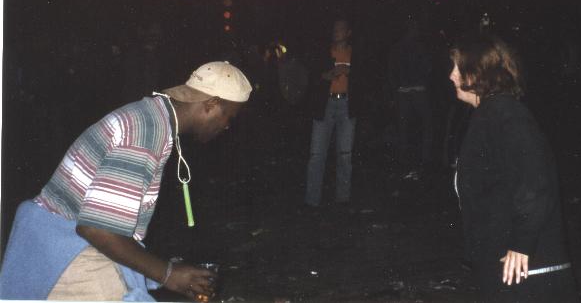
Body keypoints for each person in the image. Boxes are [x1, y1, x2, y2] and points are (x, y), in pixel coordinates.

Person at [0, 61, 252, 301]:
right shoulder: (145, 132)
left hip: (69, 239)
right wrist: (168, 274)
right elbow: (96, 229)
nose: (226, 126)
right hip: (68, 250)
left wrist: (166, 269)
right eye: (229, 117)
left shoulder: (153, 117)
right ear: (212, 104)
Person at [449, 34, 577, 302]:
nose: (451, 76)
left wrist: (522, 243)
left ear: (477, 73)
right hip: (507, 263)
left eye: (458, 68)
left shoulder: (505, 114)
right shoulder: (490, 113)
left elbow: (534, 178)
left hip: (526, 269)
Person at [304, 18, 357, 207]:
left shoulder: (354, 53)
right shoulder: (324, 52)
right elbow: (312, 75)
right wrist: (326, 75)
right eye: (335, 28)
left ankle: (343, 199)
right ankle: (312, 201)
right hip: (325, 104)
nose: (337, 31)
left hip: (346, 105)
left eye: (341, 28)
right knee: (316, 155)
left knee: (345, 154)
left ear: (348, 33)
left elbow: (365, 76)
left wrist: (349, 71)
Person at [387, 17, 433, 167]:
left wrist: (395, 89)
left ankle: (404, 160)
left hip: (403, 92)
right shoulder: (420, 47)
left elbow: (391, 71)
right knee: (425, 126)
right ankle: (424, 159)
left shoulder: (397, 48)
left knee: (404, 128)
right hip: (418, 91)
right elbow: (428, 68)